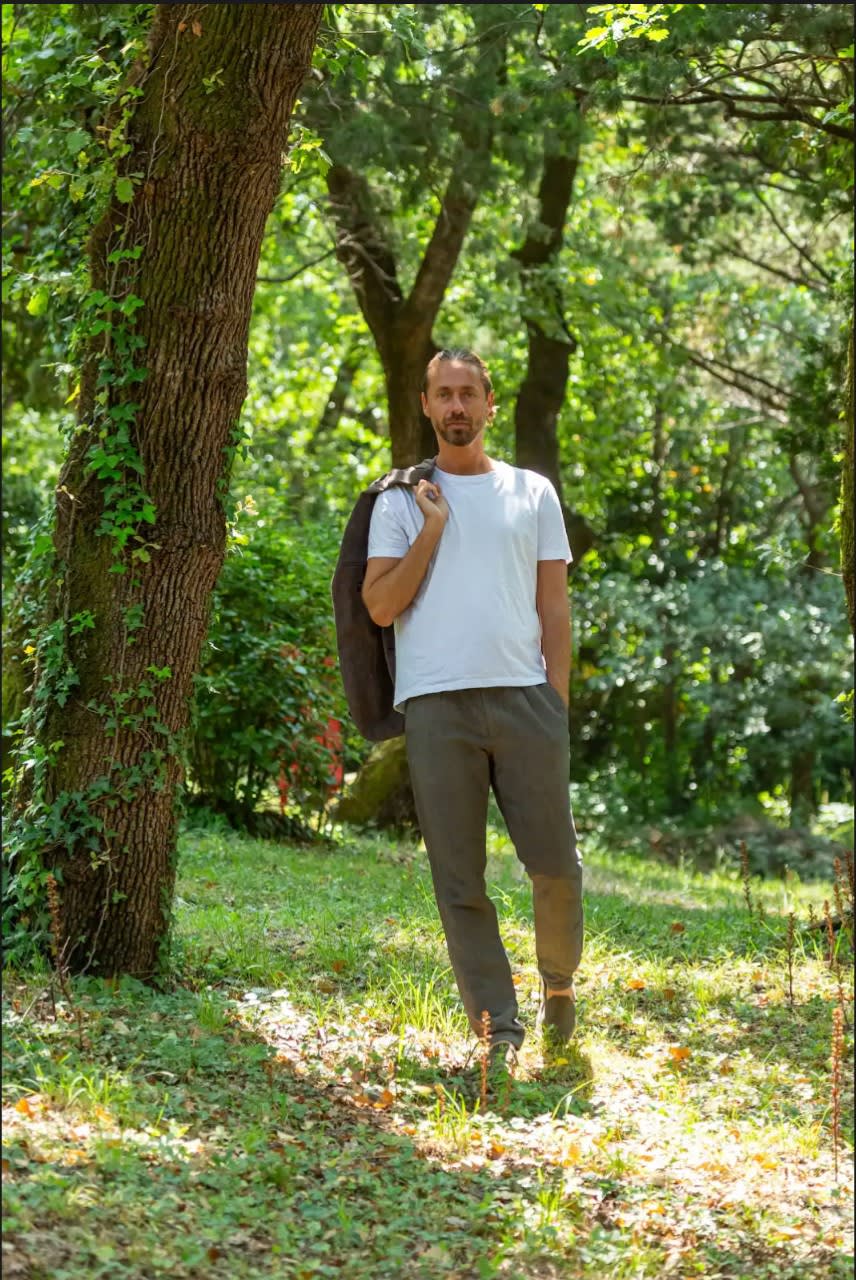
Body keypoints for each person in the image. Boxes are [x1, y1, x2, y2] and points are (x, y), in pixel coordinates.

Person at [362, 347, 583, 1064]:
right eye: (442, 395)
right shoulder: (398, 499)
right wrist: (431, 527)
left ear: (490, 402)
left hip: (526, 702)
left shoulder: (533, 493)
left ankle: (558, 985)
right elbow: (380, 603)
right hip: (436, 707)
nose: (456, 407)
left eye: (468, 393)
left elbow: (555, 607)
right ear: (425, 406)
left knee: (555, 866)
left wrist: (556, 702)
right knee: (459, 879)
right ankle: (499, 1030)